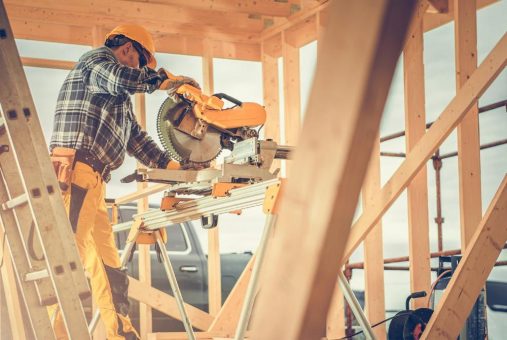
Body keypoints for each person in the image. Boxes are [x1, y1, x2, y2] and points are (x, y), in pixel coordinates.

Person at [48, 24, 198, 340]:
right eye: (141, 63)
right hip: (75, 173)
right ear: (127, 49)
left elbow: (138, 141)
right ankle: (51, 333)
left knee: (108, 268)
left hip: (93, 181)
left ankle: (120, 334)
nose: (141, 71)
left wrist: (177, 167)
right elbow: (121, 79)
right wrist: (165, 81)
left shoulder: (118, 102)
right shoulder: (95, 63)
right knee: (65, 264)